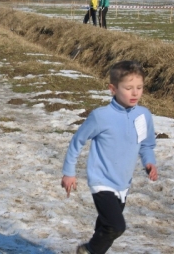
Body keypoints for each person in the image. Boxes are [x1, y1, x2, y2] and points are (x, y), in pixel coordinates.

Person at [61, 60, 158, 254]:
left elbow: (146, 144)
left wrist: (149, 161)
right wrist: (69, 172)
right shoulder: (100, 116)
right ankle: (88, 250)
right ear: (112, 89)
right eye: (128, 88)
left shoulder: (143, 115)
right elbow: (77, 142)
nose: (135, 93)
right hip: (101, 181)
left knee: (105, 229)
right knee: (116, 226)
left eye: (139, 87)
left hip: (123, 184)